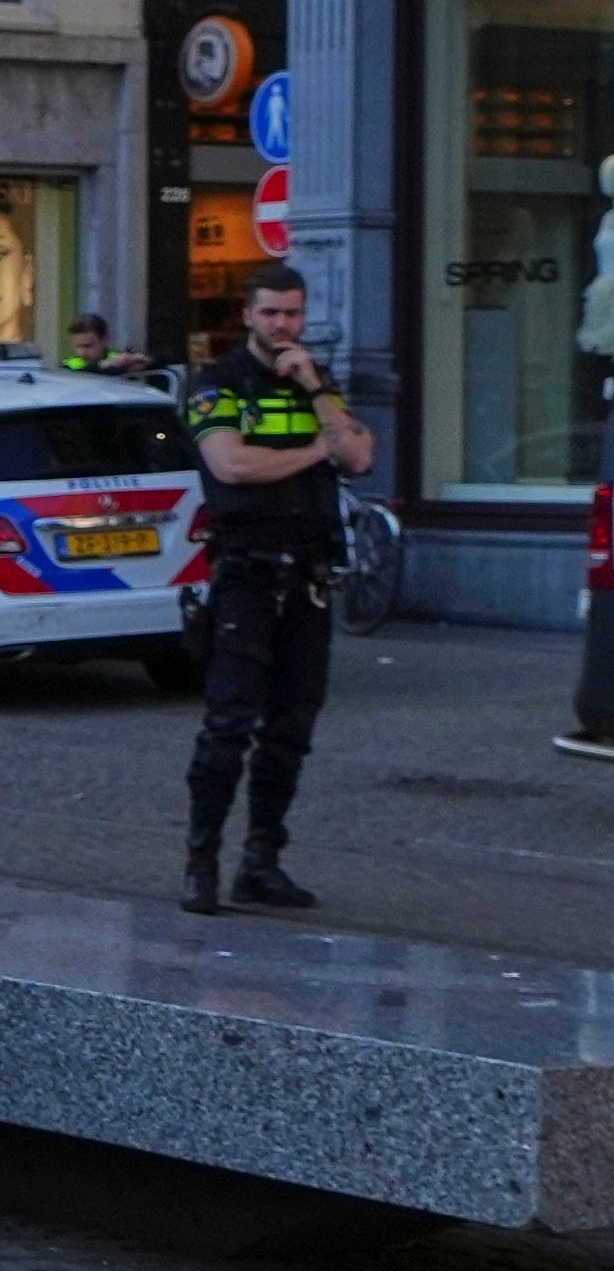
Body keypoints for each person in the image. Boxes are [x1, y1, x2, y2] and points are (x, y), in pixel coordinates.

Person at [180, 262, 373, 916]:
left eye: (291, 313)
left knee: (291, 725)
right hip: (245, 575)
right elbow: (232, 463)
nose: (282, 325)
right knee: (228, 725)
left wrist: (317, 392)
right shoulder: (219, 384)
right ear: (247, 315)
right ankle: (200, 862)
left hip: (309, 578)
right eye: (270, 313)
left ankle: (260, 862)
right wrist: (319, 450)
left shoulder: (312, 382)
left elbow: (361, 456)